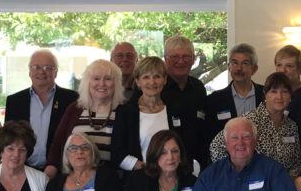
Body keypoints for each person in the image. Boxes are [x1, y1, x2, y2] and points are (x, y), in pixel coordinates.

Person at [208, 72, 301, 176]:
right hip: (252, 188)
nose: (279, 96)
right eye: (274, 91)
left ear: (290, 96)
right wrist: (233, 175)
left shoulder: (291, 126)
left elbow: (297, 162)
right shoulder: (249, 120)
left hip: (283, 187)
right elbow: (216, 146)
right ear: (265, 94)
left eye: (284, 92)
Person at [45, 60, 125, 178]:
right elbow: (58, 145)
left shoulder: (124, 112)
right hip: (74, 181)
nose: (102, 83)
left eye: (108, 79)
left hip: (112, 183)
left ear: (116, 83)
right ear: (87, 82)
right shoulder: (75, 109)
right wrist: (48, 175)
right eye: (96, 78)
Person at [4, 49, 79, 170]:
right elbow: (8, 139)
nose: (41, 72)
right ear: (29, 71)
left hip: (60, 170)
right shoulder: (15, 101)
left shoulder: (71, 99)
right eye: (36, 67)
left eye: (47, 68)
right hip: (23, 170)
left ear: (56, 72)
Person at [110, 56, 186, 173]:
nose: (152, 82)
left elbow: (183, 146)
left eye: (157, 76)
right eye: (146, 77)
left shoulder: (175, 110)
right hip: (139, 179)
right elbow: (117, 154)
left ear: (165, 79)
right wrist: (147, 169)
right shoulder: (126, 112)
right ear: (138, 81)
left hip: (171, 178)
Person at [161, 36, 208, 167]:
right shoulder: (157, 88)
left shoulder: (198, 88)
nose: (181, 61)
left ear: (193, 60)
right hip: (164, 163)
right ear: (166, 59)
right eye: (175, 57)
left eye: (186, 56)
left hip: (194, 164)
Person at [205, 43, 264, 143]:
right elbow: (209, 136)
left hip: (262, 156)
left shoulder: (267, 95)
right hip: (226, 157)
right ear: (229, 67)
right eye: (234, 63)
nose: (239, 68)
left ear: (254, 69)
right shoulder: (214, 100)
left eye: (245, 63)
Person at [274, 45, 301, 135]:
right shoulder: (273, 94)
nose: (283, 70)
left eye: (289, 66)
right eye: (279, 65)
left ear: (300, 69)